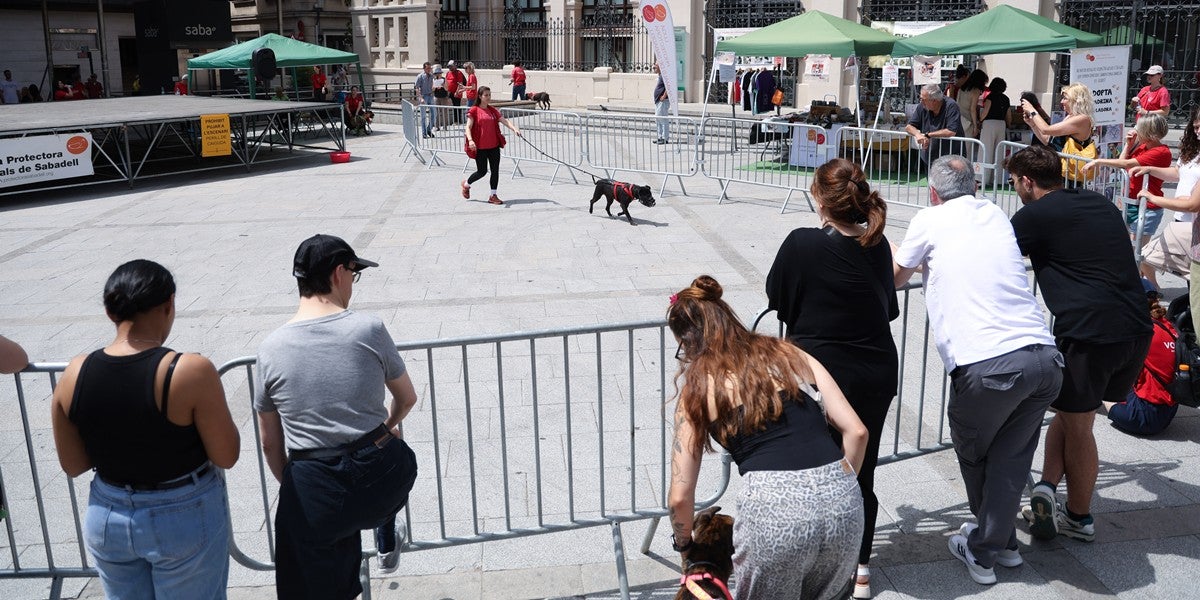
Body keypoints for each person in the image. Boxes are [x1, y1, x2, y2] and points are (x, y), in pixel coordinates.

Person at [893, 155, 1062, 586]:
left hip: (989, 364)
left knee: (974, 452)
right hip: (1044, 357)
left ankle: (984, 550)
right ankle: (1002, 543)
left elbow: (896, 276)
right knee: (1010, 458)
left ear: (933, 193)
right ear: (974, 186)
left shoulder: (929, 219)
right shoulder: (994, 213)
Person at [666, 275, 868, 600]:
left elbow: (680, 497)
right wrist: (832, 490)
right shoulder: (788, 353)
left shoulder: (698, 387)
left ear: (688, 342)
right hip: (843, 501)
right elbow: (857, 432)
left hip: (773, 510)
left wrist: (684, 544)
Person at [48, 259, 240, 599]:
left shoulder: (75, 372)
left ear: (110, 312)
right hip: (181, 513)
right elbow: (226, 455)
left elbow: (73, 464)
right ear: (169, 304)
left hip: (107, 514)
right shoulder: (188, 370)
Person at [254, 234, 419, 599]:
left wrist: (298, 486)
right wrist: (386, 428)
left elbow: (269, 443)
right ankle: (386, 537)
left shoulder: (270, 349)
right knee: (390, 445)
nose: (353, 284)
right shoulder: (369, 328)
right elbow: (407, 398)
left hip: (314, 487)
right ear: (338, 273)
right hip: (380, 478)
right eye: (354, 274)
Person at [765, 158, 897, 600]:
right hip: (875, 371)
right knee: (862, 471)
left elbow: (777, 296)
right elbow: (886, 308)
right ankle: (859, 569)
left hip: (819, 375)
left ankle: (814, 564)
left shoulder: (802, 243)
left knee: (810, 472)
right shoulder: (877, 243)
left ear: (820, 201)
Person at [1007, 145, 1152, 544]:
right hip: (1135, 327)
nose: (1015, 188)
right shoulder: (1098, 203)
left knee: (1079, 426)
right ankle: (1047, 488)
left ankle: (1079, 517)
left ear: (1027, 181)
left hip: (1090, 334)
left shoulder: (1033, 216)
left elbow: (994, 258)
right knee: (1073, 413)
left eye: (1014, 182)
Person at [1133, 106, 1200, 287]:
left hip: (1193, 220)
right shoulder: (1192, 151)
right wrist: (1150, 169)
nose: (1198, 131)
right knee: (1147, 255)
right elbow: (1177, 173)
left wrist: (1153, 197)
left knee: (1147, 254)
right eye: (1196, 127)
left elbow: (1192, 205)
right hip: (1181, 219)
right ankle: (1157, 291)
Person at [1104, 280, 1180, 436]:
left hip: (1143, 417)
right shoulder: (1167, 325)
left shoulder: (1139, 330)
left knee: (1099, 387)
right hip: (1169, 410)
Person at [1083, 114, 1171, 240]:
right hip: (1130, 203)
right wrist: (1128, 146)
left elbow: (1126, 164)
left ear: (1148, 131)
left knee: (1136, 249)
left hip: (1146, 207)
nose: (1135, 130)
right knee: (1124, 245)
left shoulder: (1161, 152)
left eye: (1138, 128)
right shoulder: (1142, 147)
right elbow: (1121, 162)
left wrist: (1098, 161)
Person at [1021, 83, 1095, 184]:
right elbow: (1048, 140)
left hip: (1069, 175)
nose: (1061, 102)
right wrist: (1033, 124)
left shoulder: (1082, 119)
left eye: (1065, 98)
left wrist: (1032, 110)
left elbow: (1046, 129)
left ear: (1076, 100)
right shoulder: (1070, 117)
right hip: (1058, 169)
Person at [462, 86, 523, 205]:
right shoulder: (474, 110)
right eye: (486, 95)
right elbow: (468, 127)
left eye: (489, 95)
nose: (488, 97)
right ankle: (466, 184)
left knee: (495, 171)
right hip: (480, 147)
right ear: (480, 96)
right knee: (482, 172)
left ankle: (493, 195)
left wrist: (514, 129)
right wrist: (470, 140)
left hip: (494, 146)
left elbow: (504, 121)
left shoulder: (492, 110)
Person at [905, 84, 965, 168]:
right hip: (930, 157)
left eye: (923, 99)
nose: (921, 102)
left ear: (934, 100)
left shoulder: (951, 105)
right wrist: (918, 134)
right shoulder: (922, 106)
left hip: (951, 158)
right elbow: (909, 126)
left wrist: (928, 135)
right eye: (920, 99)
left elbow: (951, 131)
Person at [978, 77, 1009, 187]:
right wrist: (1008, 125)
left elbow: (985, 112)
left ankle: (982, 178)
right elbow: (1008, 116)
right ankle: (997, 179)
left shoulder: (990, 97)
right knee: (999, 151)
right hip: (1001, 124)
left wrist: (980, 120)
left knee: (986, 150)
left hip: (989, 124)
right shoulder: (1006, 99)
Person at [958, 69, 987, 138]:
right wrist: (975, 126)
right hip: (968, 121)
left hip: (959, 119)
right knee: (967, 143)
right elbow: (972, 109)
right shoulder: (976, 91)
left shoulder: (961, 89)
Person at [415, 62, 435, 138]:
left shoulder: (432, 76)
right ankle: (424, 132)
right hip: (423, 96)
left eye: (430, 68)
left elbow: (434, 85)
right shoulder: (420, 76)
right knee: (423, 116)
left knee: (434, 114)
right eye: (427, 68)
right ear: (424, 68)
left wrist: (434, 87)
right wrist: (420, 98)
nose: (429, 69)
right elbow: (417, 88)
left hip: (431, 96)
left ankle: (429, 129)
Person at [653, 63, 670, 144]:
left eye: (656, 65)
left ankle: (665, 138)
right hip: (658, 101)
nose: (654, 67)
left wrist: (664, 96)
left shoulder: (664, 76)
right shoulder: (660, 76)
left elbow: (668, 86)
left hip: (663, 101)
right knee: (658, 119)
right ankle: (660, 137)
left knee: (663, 119)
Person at [432, 65, 450, 130]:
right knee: (436, 112)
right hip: (436, 97)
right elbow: (432, 89)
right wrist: (435, 87)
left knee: (444, 112)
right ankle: (437, 126)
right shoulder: (433, 80)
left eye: (439, 73)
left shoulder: (444, 79)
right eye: (437, 73)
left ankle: (445, 126)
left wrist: (443, 85)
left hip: (444, 97)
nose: (438, 75)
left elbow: (447, 88)